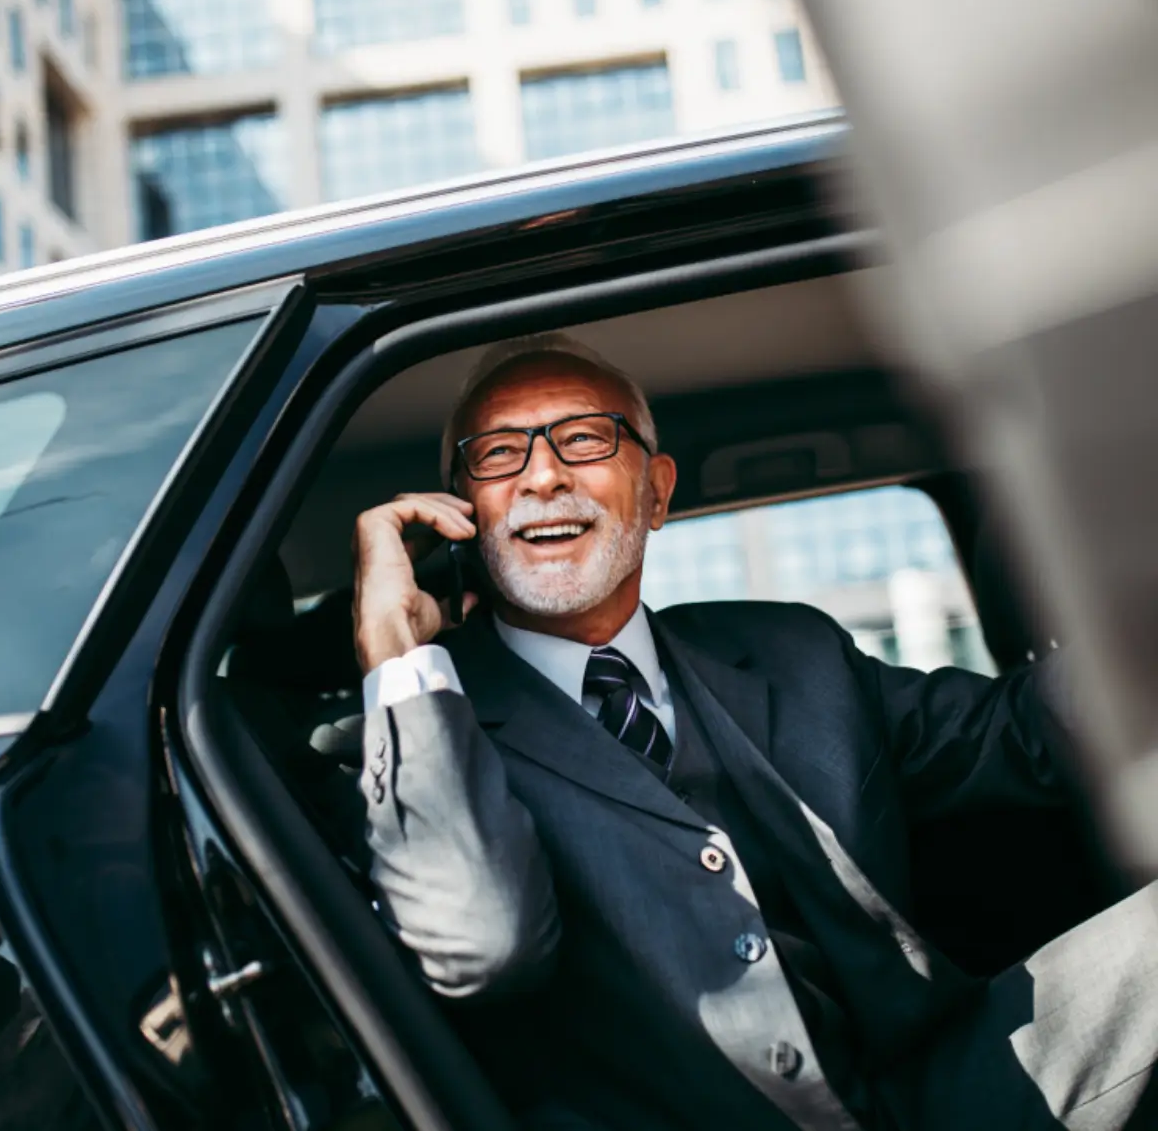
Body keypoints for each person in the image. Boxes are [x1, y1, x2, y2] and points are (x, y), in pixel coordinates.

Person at [328, 333, 1158, 1131]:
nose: (542, 475)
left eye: (583, 439)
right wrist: (396, 653)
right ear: (460, 510)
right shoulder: (433, 724)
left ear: (656, 490)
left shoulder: (791, 651)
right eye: (499, 454)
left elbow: (1021, 730)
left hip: (942, 1090)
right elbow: (482, 942)